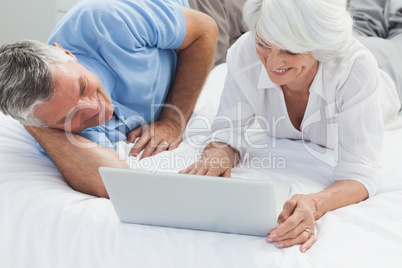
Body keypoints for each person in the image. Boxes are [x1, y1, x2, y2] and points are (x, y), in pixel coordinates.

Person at [181, 0, 402, 252]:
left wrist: (316, 204)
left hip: (387, 70)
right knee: (366, 22)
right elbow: (228, 132)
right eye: (264, 44)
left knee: (397, 33)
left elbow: (361, 173)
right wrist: (217, 153)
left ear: (319, 48)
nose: (274, 64)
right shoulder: (245, 51)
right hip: (327, 31)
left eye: (291, 51)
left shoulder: (357, 67)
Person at [0, 0, 222, 198]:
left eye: (83, 87)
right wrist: (37, 128)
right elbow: (112, 183)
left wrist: (172, 120)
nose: (94, 108)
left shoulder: (105, 19)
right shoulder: (54, 127)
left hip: (194, 14)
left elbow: (204, 30)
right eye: (70, 115)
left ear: (67, 54)